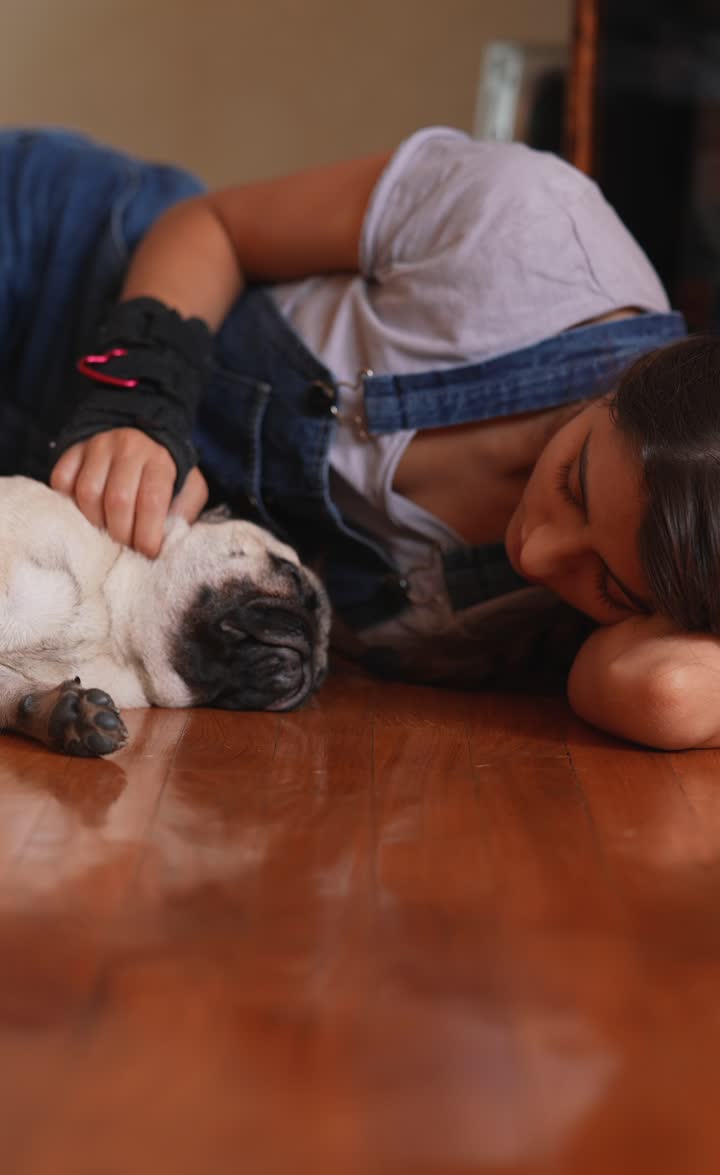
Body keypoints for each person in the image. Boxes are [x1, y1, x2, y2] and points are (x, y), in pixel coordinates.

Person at [1, 124, 719, 750]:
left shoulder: (646, 604)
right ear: (629, 378)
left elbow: (667, 694)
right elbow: (210, 226)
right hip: (49, 276)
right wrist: (140, 400)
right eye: (574, 483)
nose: (536, 554)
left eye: (610, 586)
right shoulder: (529, 224)